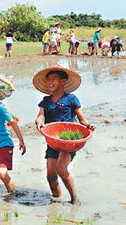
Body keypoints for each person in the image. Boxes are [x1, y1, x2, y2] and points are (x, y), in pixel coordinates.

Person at [34, 66, 95, 204]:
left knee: (61, 169)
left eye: (54, 79)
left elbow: (81, 118)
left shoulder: (71, 99)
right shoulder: (46, 101)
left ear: (63, 81)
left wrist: (88, 125)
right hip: (52, 140)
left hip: (68, 142)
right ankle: (56, 200)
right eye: (48, 79)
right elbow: (40, 116)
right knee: (50, 175)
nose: (50, 82)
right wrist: (39, 123)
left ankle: (74, 200)